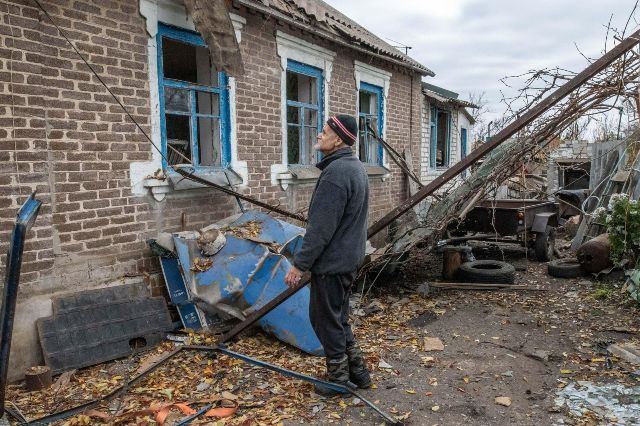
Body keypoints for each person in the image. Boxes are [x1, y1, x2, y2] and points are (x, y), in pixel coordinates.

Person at [284, 114, 371, 396]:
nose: (319, 135)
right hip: (348, 259)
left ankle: (338, 379)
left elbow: (320, 229)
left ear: (338, 139)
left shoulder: (335, 174)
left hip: (332, 263)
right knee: (339, 317)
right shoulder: (355, 167)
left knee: (324, 319)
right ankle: (358, 372)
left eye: (324, 132)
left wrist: (299, 265)